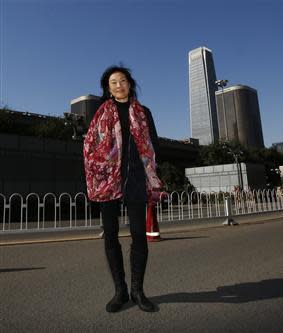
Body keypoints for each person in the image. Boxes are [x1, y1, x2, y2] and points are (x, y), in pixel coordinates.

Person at [83, 65, 162, 313]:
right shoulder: (101, 112)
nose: (119, 85)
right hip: (108, 180)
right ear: (108, 88)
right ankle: (120, 291)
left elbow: (153, 144)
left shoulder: (143, 112)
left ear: (130, 83)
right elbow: (91, 146)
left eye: (123, 80)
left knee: (139, 235)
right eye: (114, 82)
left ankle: (138, 291)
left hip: (137, 179)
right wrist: (101, 171)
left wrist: (150, 172)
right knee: (111, 235)